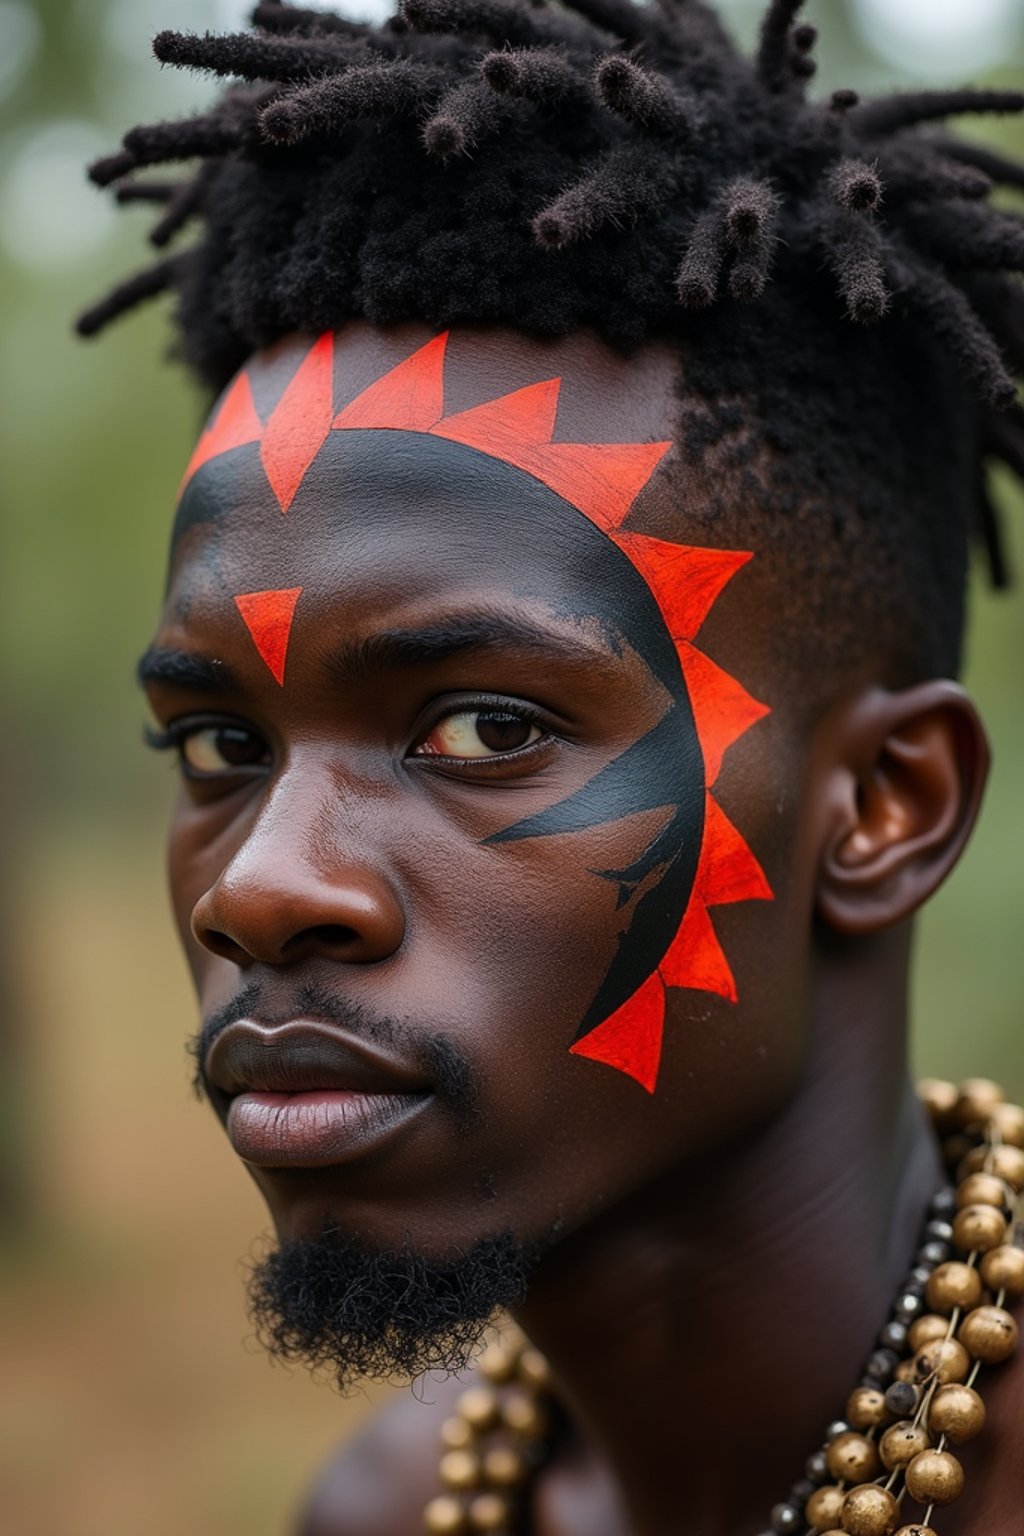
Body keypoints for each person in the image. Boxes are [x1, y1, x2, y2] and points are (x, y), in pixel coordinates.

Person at [78, 1, 1024, 1532]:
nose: (258, 889)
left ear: (882, 808)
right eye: (222, 745)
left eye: (484, 730)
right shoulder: (391, 1509)